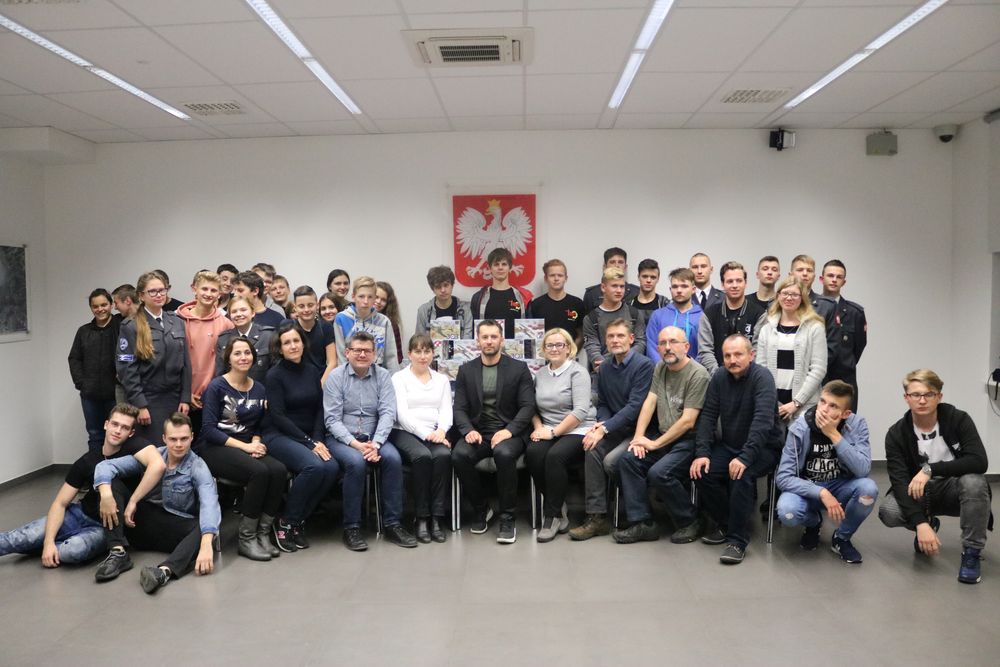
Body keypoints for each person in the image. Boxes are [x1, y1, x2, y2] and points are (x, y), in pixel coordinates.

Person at [0, 404, 161, 567]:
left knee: (73, 551)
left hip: (104, 527)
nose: (118, 430)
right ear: (106, 425)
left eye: (124, 427)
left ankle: (43, 547)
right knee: (23, 537)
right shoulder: (87, 461)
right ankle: (43, 546)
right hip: (80, 513)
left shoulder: (134, 448)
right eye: (115, 424)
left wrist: (133, 501)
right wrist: (48, 543)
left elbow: (157, 464)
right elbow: (60, 503)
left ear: (131, 433)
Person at [878, 369, 991, 584]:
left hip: (955, 489)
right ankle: (928, 523)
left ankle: (972, 553)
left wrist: (930, 470)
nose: (922, 400)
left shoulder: (958, 419)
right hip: (919, 493)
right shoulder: (896, 433)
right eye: (915, 395)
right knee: (889, 511)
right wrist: (920, 524)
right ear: (906, 398)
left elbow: (979, 462)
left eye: (929, 394)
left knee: (975, 482)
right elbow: (899, 483)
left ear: (939, 396)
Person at [92, 413, 219, 594]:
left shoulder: (198, 467)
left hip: (172, 528)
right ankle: (118, 552)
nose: (178, 444)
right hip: (138, 523)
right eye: (173, 439)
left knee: (205, 529)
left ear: (192, 437)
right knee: (111, 484)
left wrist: (206, 545)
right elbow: (105, 466)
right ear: (164, 438)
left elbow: (210, 503)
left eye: (184, 439)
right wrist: (105, 495)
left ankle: (163, 572)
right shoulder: (154, 456)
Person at [691, 335, 783, 565]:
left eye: (738, 354)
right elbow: (708, 416)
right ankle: (727, 523)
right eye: (727, 355)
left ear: (751, 355)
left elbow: (762, 423)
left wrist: (744, 457)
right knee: (702, 472)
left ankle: (737, 541)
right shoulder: (719, 377)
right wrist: (702, 453)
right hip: (731, 445)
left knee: (741, 475)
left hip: (764, 448)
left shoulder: (763, 378)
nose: (732, 360)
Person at [614, 326, 709, 544]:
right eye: (663, 343)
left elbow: (688, 421)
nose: (667, 347)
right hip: (664, 435)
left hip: (689, 440)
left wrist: (655, 444)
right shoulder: (660, 367)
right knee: (629, 460)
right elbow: (650, 402)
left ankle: (691, 521)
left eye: (673, 342)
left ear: (687, 346)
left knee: (660, 473)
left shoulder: (698, 374)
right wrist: (638, 438)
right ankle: (643, 524)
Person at [324, 331, 416, 551]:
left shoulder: (383, 376)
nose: (362, 354)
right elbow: (331, 419)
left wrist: (376, 443)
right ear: (347, 352)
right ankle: (352, 527)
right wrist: (355, 444)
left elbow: (387, 413)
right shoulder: (336, 377)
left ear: (375, 354)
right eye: (357, 350)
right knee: (355, 463)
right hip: (342, 439)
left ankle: (393, 524)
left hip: (374, 438)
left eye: (367, 351)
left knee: (393, 459)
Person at [197, 338, 287, 561]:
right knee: (259, 472)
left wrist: (255, 442)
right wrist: (246, 447)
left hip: (247, 445)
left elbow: (260, 423)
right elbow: (208, 430)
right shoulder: (216, 387)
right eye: (237, 353)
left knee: (278, 470)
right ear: (228, 358)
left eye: (247, 353)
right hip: (216, 447)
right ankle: (246, 539)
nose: (243, 357)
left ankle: (263, 533)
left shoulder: (259, 388)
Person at [451, 320, 535, 544]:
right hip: (479, 432)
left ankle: (508, 518)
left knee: (504, 454)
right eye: (485, 337)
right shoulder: (466, 370)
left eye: (494, 337)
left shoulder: (519, 369)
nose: (489, 341)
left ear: (502, 340)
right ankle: (481, 508)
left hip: (509, 432)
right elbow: (459, 408)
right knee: (459, 455)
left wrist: (509, 431)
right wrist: (468, 430)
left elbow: (528, 406)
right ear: (477, 341)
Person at [570, 318, 654, 541]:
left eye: (620, 336)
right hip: (616, 427)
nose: (615, 340)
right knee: (591, 447)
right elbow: (604, 403)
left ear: (631, 339)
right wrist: (601, 425)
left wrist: (604, 428)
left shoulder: (644, 365)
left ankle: (634, 515)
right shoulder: (605, 367)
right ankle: (597, 518)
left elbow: (635, 407)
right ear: (605, 341)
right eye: (611, 336)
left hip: (639, 430)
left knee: (611, 461)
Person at [775, 381, 877, 563]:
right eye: (822, 401)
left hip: (841, 487)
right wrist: (821, 492)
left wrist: (834, 435)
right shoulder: (800, 426)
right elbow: (783, 478)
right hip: (808, 489)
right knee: (787, 512)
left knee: (868, 490)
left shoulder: (857, 424)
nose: (823, 409)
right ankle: (814, 523)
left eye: (833, 406)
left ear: (846, 414)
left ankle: (841, 538)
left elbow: (863, 470)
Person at [263, 323, 341, 553]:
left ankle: (297, 519)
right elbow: (277, 416)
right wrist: (309, 442)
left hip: (308, 436)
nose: (293, 346)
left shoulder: (311, 371)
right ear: (280, 348)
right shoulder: (274, 375)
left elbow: (319, 408)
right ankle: (285, 522)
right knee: (313, 467)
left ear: (303, 343)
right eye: (287, 343)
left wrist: (317, 439)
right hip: (279, 434)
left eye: (296, 341)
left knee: (332, 467)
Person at [526, 327, 595, 543]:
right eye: (550, 345)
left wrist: (554, 432)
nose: (554, 349)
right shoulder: (540, 374)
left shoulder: (578, 372)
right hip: (548, 428)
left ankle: (552, 516)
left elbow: (580, 411)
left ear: (568, 348)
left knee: (555, 457)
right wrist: (539, 427)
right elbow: (531, 407)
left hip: (578, 429)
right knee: (533, 453)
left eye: (559, 345)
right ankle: (557, 505)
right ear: (544, 349)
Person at [391, 334, 454, 543]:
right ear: (409, 354)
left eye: (427, 351)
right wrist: (428, 435)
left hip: (435, 433)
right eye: (417, 351)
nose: (422, 356)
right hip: (405, 432)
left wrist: (441, 431)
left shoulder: (441, 380)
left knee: (443, 456)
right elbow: (402, 415)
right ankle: (421, 517)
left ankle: (437, 517)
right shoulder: (399, 378)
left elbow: (446, 410)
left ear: (433, 354)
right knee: (422, 456)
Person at [116, 271, 191, 445]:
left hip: (175, 399)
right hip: (148, 400)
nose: (159, 295)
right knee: (155, 449)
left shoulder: (177, 321)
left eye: (162, 290)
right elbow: (127, 370)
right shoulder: (131, 325)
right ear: (141, 295)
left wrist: (185, 398)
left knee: (176, 447)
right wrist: (140, 404)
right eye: (153, 291)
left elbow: (186, 363)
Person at [755, 276, 827, 423]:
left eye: (794, 294)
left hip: (803, 407)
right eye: (785, 293)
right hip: (772, 405)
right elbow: (761, 369)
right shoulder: (767, 329)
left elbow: (818, 369)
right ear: (778, 296)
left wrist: (796, 403)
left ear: (802, 298)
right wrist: (770, 401)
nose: (789, 298)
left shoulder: (814, 328)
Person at [176, 271, 234, 435]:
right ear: (194, 289)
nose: (208, 294)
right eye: (204, 289)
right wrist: (185, 394)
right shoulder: (177, 320)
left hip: (211, 397)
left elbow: (228, 365)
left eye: (213, 290)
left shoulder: (226, 324)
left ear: (220, 293)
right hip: (180, 396)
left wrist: (210, 393)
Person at [69, 288, 122, 452]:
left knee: (118, 434)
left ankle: (116, 468)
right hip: (90, 394)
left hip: (116, 393)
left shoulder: (122, 327)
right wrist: (81, 383)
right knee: (95, 434)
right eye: (95, 306)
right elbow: (74, 358)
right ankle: (95, 467)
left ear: (111, 305)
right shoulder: (84, 331)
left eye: (104, 305)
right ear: (91, 308)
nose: (100, 309)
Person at [696, 261, 767, 376]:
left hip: (749, 379)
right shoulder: (709, 314)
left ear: (745, 283)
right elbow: (705, 351)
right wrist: (720, 376)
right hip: (716, 378)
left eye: (739, 281)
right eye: (730, 281)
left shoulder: (759, 314)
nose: (735, 285)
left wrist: (744, 376)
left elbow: (758, 351)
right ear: (722, 284)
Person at [819, 259, 867, 410]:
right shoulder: (812, 308)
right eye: (830, 276)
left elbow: (859, 347)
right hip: (816, 380)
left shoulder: (855, 313)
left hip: (844, 380)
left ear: (844, 282)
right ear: (821, 279)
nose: (834, 280)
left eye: (839, 277)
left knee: (845, 422)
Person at [583, 267, 646, 375]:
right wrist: (605, 365)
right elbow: (592, 346)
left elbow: (640, 342)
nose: (619, 290)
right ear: (603, 287)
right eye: (614, 286)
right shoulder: (591, 318)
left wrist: (624, 360)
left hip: (631, 369)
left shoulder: (634, 314)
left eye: (622, 286)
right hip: (603, 371)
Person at [333, 276, 400, 371]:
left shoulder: (384, 321)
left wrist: (393, 378)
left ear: (374, 298)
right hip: (350, 374)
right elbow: (341, 356)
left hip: (378, 374)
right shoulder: (341, 318)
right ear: (353, 296)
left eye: (370, 297)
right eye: (361, 296)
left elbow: (391, 358)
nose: (365, 301)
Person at [469, 247, 532, 338]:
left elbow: (528, 331)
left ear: (510, 267)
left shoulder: (522, 297)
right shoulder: (478, 298)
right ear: (490, 268)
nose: (500, 267)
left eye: (504, 264)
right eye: (496, 264)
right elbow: (475, 332)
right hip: (489, 346)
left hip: (515, 346)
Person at [644, 267, 703, 363]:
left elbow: (704, 350)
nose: (679, 290)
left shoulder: (702, 317)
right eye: (675, 287)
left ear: (693, 289)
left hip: (694, 371)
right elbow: (652, 348)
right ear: (670, 289)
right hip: (662, 370)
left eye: (684, 286)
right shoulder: (657, 316)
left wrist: (691, 369)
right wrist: (663, 368)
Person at [214, 296, 275, 385]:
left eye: (243, 310)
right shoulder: (223, 340)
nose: (238, 314)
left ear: (253, 313)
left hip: (263, 390)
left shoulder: (267, 336)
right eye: (234, 311)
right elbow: (221, 374)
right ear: (230, 316)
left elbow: (275, 372)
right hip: (233, 391)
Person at [525, 259, 585, 345]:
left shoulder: (577, 304)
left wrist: (571, 351)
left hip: (570, 352)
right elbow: (531, 336)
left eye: (560, 275)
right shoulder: (536, 305)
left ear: (566, 278)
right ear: (546, 278)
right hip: (543, 353)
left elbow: (581, 335)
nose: (556, 279)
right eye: (552, 275)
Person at [288, 286, 337, 383]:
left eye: (310, 305)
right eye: (301, 306)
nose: (306, 310)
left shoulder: (325, 327)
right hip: (295, 382)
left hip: (321, 381)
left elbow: (332, 362)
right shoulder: (288, 327)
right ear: (295, 307)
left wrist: (320, 386)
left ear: (317, 305)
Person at [414, 265, 473, 340]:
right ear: (433, 289)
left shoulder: (466, 309)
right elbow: (420, 340)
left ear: (452, 285)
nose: (443, 290)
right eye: (438, 286)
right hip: (432, 348)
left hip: (459, 348)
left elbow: (467, 339)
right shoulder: (423, 311)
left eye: (446, 285)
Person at [582, 247, 640, 314]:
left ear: (625, 267)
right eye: (612, 262)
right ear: (605, 267)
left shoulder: (636, 292)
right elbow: (589, 318)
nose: (617, 266)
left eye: (620, 262)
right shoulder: (592, 294)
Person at [375, 280, 404, 366]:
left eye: (383, 300)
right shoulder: (359, 320)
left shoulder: (391, 325)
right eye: (376, 297)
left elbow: (398, 357)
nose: (378, 301)